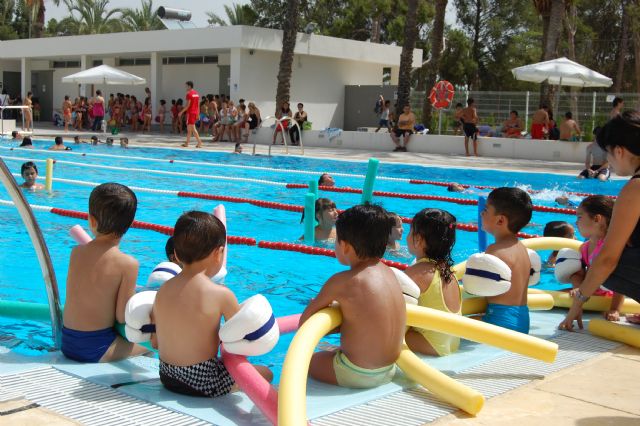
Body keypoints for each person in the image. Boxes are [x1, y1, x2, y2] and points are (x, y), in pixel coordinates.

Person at [152, 211, 272, 397]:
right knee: (266, 373)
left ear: (175, 252)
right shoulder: (221, 294)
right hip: (203, 382)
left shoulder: (163, 290)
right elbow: (240, 343)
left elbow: (155, 342)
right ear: (218, 253)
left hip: (167, 375)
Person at [299, 204, 405, 388]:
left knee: (308, 360)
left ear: (345, 246)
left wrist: (322, 310)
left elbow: (305, 324)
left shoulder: (342, 281)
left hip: (359, 374)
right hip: (390, 368)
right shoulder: (390, 273)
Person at [559, 112, 640, 330]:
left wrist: (579, 302)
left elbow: (608, 259)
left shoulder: (635, 188)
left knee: (602, 260)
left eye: (609, 155)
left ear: (619, 151)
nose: (609, 162)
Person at [62, 183, 149, 363]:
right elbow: (121, 316)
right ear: (130, 224)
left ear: (91, 220)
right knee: (148, 351)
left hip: (67, 342)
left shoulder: (76, 253)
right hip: (96, 348)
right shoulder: (128, 264)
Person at [405, 209, 461, 356]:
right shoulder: (449, 271)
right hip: (452, 342)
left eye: (410, 232)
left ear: (418, 239)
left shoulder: (418, 273)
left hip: (431, 345)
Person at [480, 187, 534, 333]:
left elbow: (480, 289)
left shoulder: (495, 250)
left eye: (486, 210)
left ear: (500, 220)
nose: (481, 213)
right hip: (522, 320)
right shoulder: (521, 247)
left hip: (499, 323)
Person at [568, 196, 625, 321]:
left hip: (613, 291)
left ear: (597, 219)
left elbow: (621, 279)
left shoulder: (611, 246)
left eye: (579, 217)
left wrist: (615, 309)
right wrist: (579, 289)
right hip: (596, 292)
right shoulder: (585, 248)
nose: (576, 222)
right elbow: (580, 274)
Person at [179, 81, 204, 148]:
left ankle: (199, 142)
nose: (185, 87)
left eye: (186, 86)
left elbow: (187, 106)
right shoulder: (196, 94)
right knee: (189, 129)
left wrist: (181, 112)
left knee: (193, 129)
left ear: (189, 86)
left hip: (190, 113)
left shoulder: (189, 94)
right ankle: (187, 143)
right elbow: (198, 105)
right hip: (195, 112)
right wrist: (198, 113)